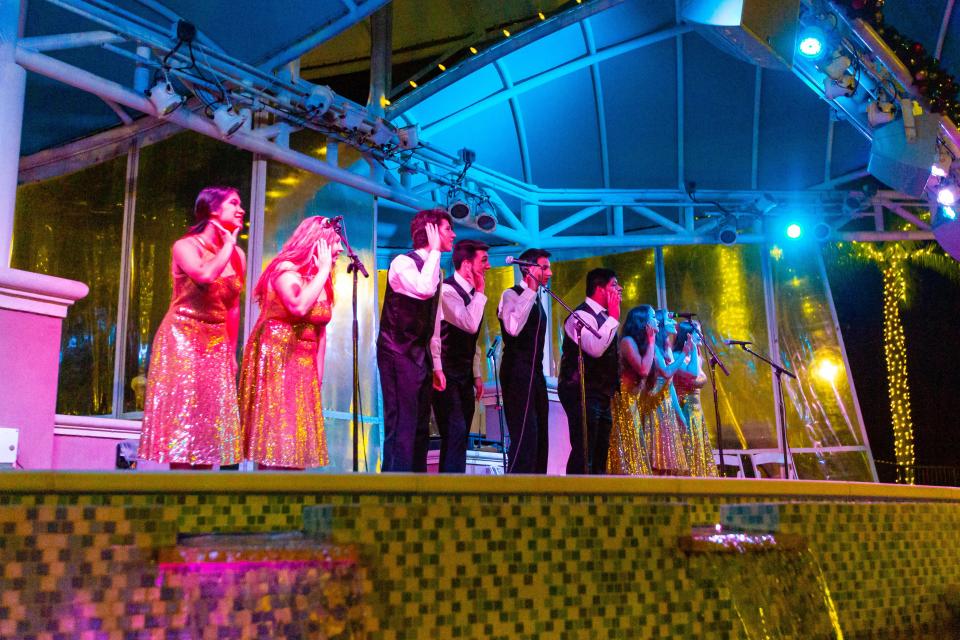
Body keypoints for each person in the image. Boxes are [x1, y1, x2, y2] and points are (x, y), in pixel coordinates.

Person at [138, 186, 246, 469]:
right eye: (234, 203)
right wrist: (227, 246)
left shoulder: (238, 256)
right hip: (182, 336)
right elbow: (205, 275)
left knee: (208, 434)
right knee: (184, 431)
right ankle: (178, 501)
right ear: (213, 209)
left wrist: (231, 353)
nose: (241, 210)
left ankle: (201, 501)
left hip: (216, 340)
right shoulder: (185, 246)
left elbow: (233, 306)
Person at [239, 216, 342, 470]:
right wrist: (323, 271)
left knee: (297, 445)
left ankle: (291, 503)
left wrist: (317, 378)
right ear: (318, 244)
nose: (339, 249)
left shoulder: (322, 280)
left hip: (304, 363)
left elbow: (321, 330)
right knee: (278, 441)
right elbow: (298, 306)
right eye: (335, 243)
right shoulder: (285, 270)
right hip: (278, 358)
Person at [377, 208, 456, 472]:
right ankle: (394, 490)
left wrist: (437, 366)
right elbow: (423, 289)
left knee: (421, 426)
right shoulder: (403, 262)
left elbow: (434, 322)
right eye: (447, 229)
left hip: (420, 355)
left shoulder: (436, 270)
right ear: (431, 232)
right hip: (396, 351)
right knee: (402, 425)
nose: (453, 235)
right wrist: (434, 251)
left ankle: (418, 488)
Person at [429, 239, 491, 473]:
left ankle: (454, 484)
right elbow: (469, 323)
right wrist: (482, 293)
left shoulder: (474, 296)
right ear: (467, 265)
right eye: (483, 260)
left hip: (464, 375)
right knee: (454, 429)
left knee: (461, 434)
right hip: (445, 373)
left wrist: (476, 374)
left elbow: (472, 342)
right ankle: (449, 490)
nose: (488, 266)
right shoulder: (447, 291)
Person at [558, 268, 622, 475]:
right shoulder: (580, 315)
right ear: (599, 289)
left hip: (602, 394)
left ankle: (597, 497)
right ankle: (576, 496)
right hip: (582, 391)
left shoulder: (605, 318)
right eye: (614, 285)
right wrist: (613, 318)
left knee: (601, 450)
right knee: (585, 450)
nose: (619, 289)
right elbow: (594, 348)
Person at [497, 248, 552, 474]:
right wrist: (530, 291)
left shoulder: (538, 298)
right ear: (529, 269)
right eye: (545, 267)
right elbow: (512, 328)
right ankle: (518, 485)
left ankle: (538, 486)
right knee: (524, 435)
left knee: (540, 435)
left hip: (535, 372)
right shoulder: (511, 295)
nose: (550, 272)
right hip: (517, 372)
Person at [607, 305, 658, 476]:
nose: (655, 321)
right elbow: (643, 369)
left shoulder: (639, 343)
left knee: (635, 446)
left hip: (633, 402)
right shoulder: (627, 341)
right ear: (642, 321)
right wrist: (651, 341)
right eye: (652, 317)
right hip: (624, 401)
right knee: (626, 448)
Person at [647, 309, 692, 475]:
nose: (674, 323)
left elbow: (670, 384)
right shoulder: (655, 348)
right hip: (654, 405)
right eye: (670, 320)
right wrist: (685, 353)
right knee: (658, 459)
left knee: (670, 460)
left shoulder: (668, 349)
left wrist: (679, 414)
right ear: (660, 323)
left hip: (666, 406)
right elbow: (666, 372)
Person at [674, 320, 719, 477]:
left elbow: (700, 378)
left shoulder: (698, 357)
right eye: (697, 333)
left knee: (698, 446)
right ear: (687, 336)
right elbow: (694, 374)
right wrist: (692, 350)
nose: (701, 336)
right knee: (687, 444)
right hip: (684, 406)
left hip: (696, 408)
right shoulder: (677, 356)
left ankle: (700, 476)